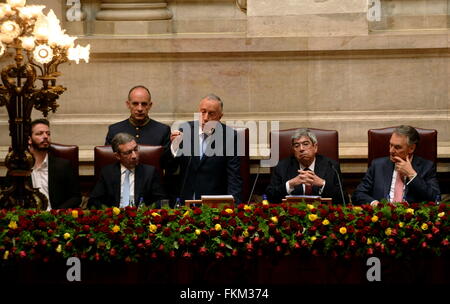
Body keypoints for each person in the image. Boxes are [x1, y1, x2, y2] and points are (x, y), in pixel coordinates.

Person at [170, 94, 242, 204]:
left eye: (211, 113)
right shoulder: (186, 130)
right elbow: (172, 167)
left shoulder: (230, 137)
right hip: (186, 200)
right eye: (203, 112)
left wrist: (234, 207)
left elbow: (234, 176)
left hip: (214, 203)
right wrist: (174, 146)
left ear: (220, 117)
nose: (205, 118)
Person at [352, 125, 440, 205]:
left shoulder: (426, 167)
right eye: (390, 145)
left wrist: (412, 175)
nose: (391, 151)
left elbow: (435, 199)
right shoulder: (377, 165)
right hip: (381, 218)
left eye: (397, 147)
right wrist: (375, 204)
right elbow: (358, 194)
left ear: (411, 148)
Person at [265, 128, 347, 204]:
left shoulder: (331, 166)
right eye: (296, 146)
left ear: (315, 147)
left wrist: (322, 184)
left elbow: (344, 199)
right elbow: (270, 196)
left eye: (305, 144)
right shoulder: (282, 167)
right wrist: (290, 184)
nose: (301, 149)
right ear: (293, 150)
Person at [89, 132, 166, 208]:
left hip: (141, 217)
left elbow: (161, 200)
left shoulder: (150, 172)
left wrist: (145, 212)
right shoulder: (107, 172)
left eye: (135, 149)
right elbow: (94, 200)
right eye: (128, 152)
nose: (134, 156)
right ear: (117, 156)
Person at [105, 85, 171, 166]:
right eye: (135, 104)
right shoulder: (114, 130)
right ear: (128, 104)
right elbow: (108, 163)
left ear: (150, 105)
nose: (140, 108)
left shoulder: (163, 130)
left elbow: (169, 165)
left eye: (144, 104)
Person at [28, 118, 81, 209]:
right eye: (39, 133)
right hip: (28, 219)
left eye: (48, 133)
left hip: (56, 218)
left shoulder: (63, 166)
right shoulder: (19, 167)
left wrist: (57, 213)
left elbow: (76, 197)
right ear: (29, 139)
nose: (45, 136)